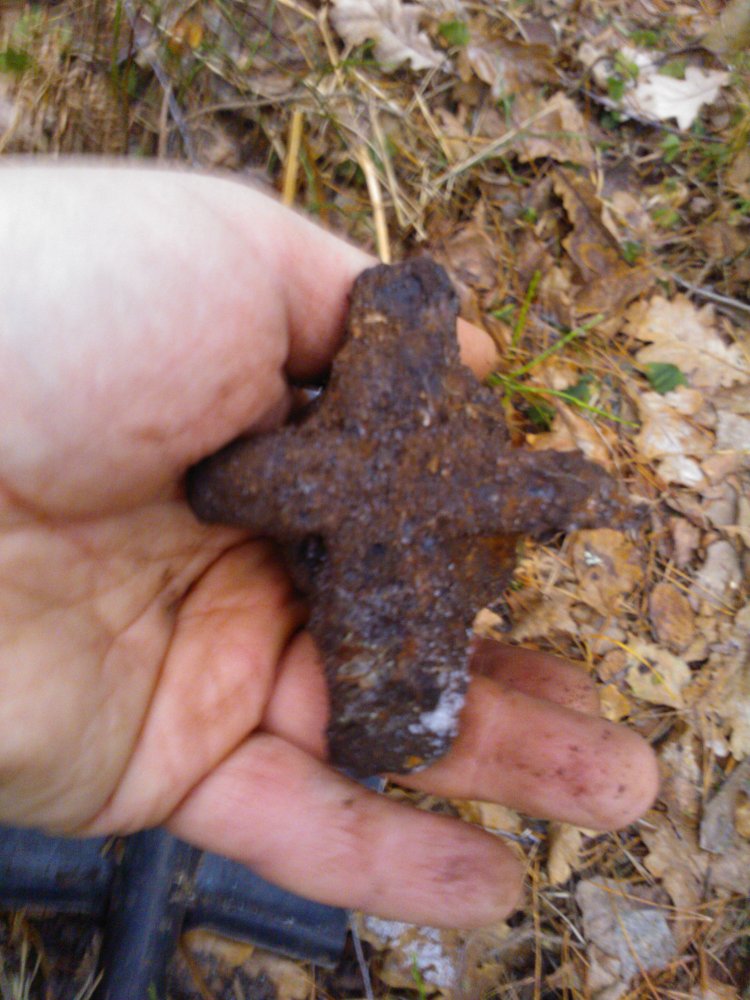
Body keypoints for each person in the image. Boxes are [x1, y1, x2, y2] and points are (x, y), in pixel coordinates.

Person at [0, 163, 659, 929]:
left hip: (394, 550)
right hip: (343, 548)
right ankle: (393, 720)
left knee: (398, 691)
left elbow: (223, 487)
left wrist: (594, 498)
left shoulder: (397, 465)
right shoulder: (320, 469)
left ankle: (394, 719)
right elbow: (228, 487)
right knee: (395, 702)